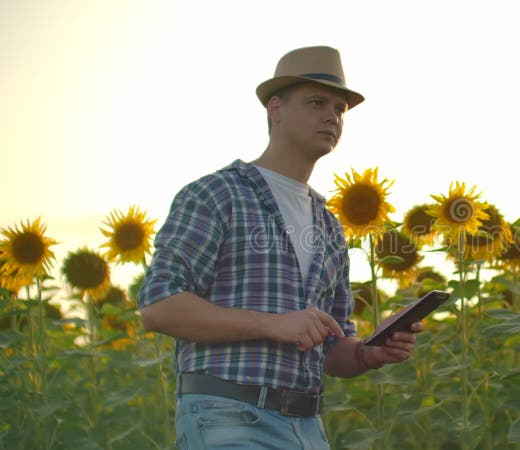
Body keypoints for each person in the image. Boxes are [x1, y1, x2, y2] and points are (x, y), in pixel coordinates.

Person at [137, 46, 423, 450]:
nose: (332, 116)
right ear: (275, 108)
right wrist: (272, 324)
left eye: (340, 108)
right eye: (316, 102)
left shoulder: (328, 226)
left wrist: (368, 352)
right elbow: (158, 307)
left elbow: (332, 348)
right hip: (227, 416)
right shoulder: (216, 194)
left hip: (306, 428)